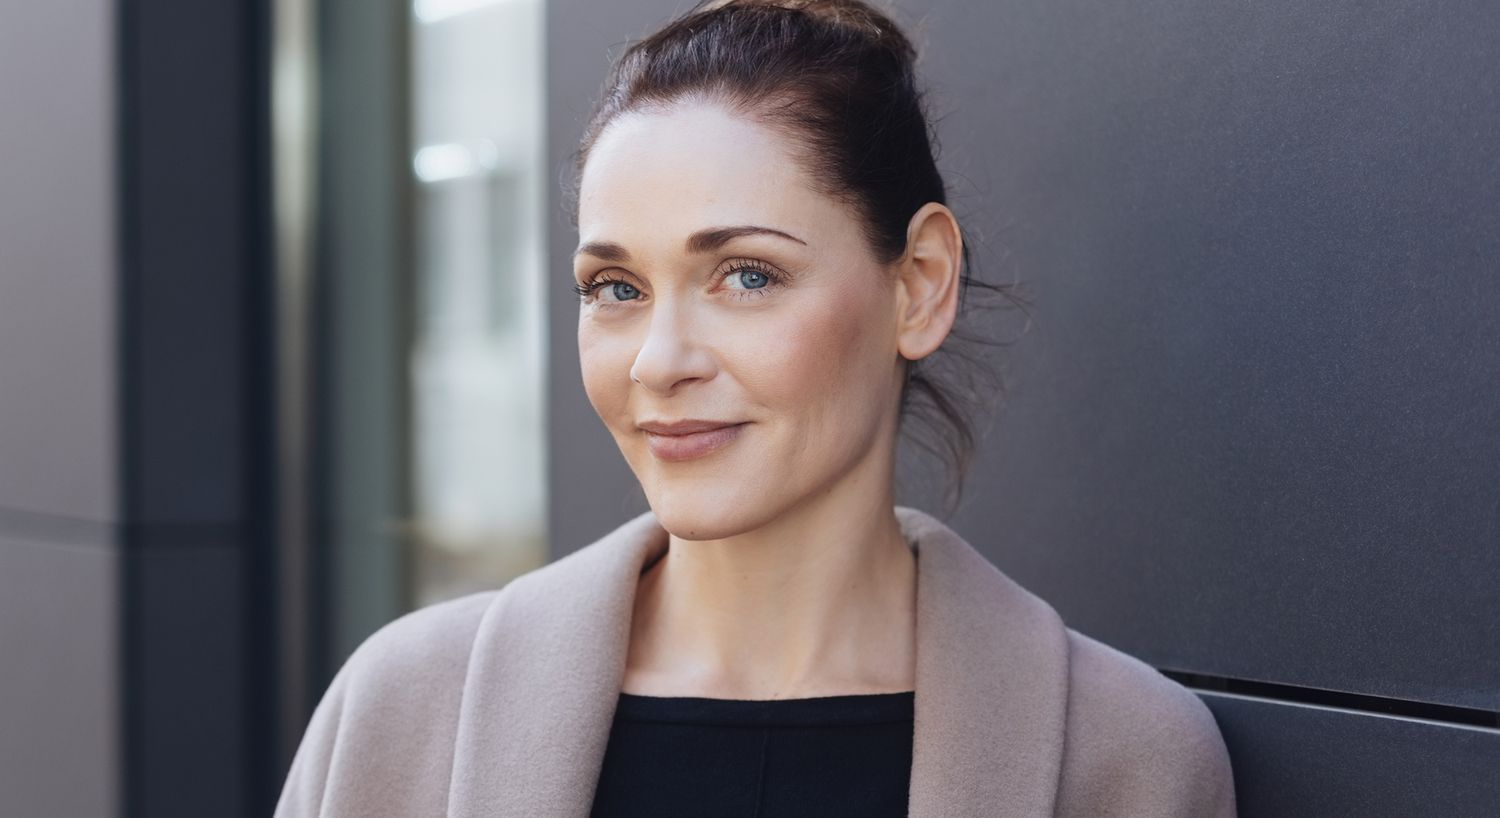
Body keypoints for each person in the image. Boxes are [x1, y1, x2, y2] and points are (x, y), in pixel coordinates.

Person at [274, 1, 1237, 815]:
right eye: (615, 287)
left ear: (920, 286)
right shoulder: (403, 714)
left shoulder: (1123, 759)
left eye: (746, 275)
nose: (660, 361)